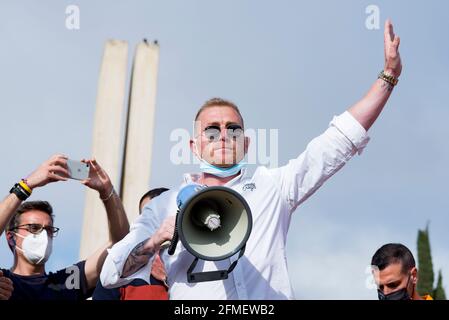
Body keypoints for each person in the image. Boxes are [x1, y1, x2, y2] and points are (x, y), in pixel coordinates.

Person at [100, 20, 403, 299]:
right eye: (212, 130)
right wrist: (156, 240)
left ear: (245, 144)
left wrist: (388, 76)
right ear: (194, 145)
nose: (223, 136)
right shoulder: (163, 205)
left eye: (233, 129)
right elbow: (110, 273)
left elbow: (336, 142)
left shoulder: (272, 186)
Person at [0, 154, 129, 300]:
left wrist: (107, 191)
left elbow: (121, 244)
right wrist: (26, 185)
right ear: (11, 237)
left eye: (48, 230)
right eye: (33, 228)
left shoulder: (68, 282)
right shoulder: (3, 282)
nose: (43, 235)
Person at [92, 187, 169, 300]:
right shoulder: (119, 269)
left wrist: (171, 279)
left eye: (160, 216)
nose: (154, 224)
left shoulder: (196, 262)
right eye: (146, 217)